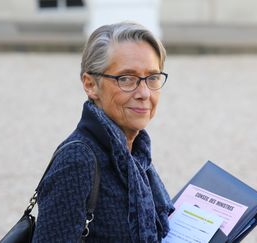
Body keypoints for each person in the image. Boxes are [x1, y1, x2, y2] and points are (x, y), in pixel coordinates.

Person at [32, 22, 174, 242]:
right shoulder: (77, 161)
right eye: (126, 78)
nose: (144, 93)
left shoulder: (137, 156)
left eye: (152, 77)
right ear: (90, 85)